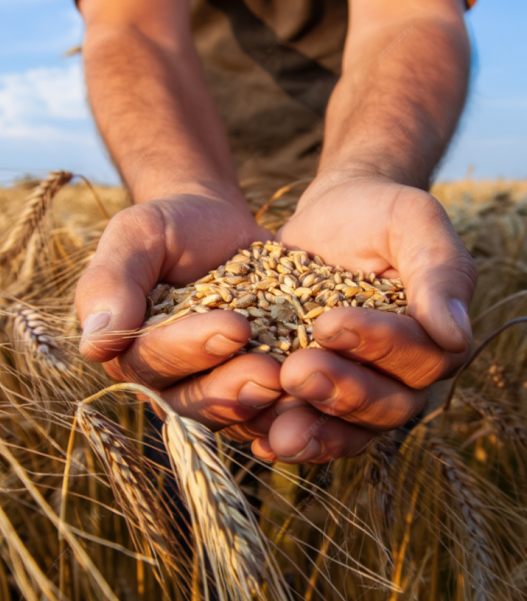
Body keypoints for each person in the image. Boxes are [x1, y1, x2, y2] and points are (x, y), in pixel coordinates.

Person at [73, 0, 478, 464]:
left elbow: (409, 15)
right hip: (179, 146)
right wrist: (182, 188)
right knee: (185, 455)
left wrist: (365, 174)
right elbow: (135, 24)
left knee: (378, 439)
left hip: (374, 151)